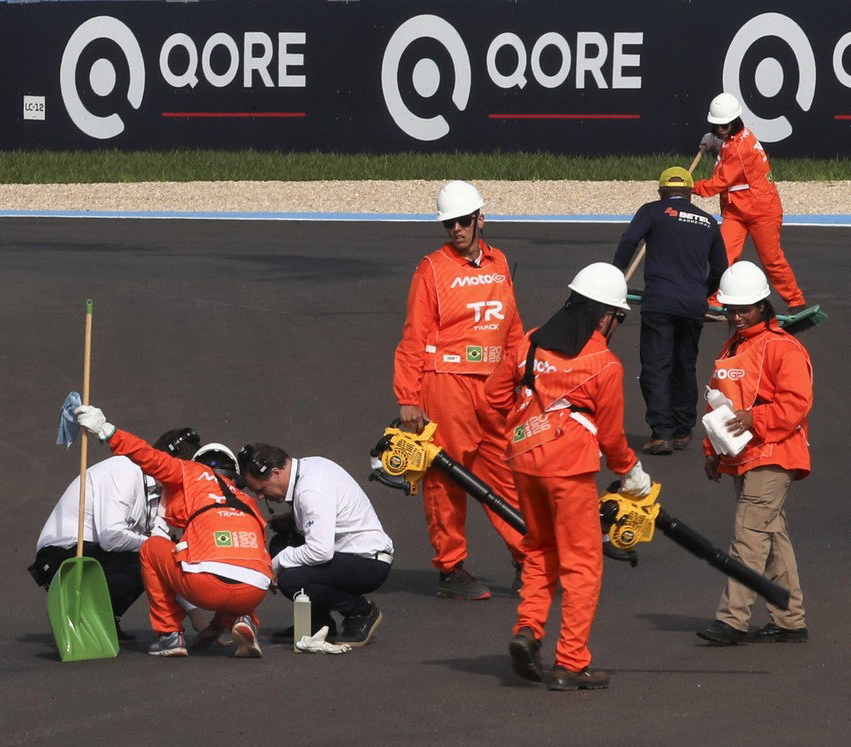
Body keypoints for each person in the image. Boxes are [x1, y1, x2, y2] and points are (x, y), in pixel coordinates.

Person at [485, 262, 653, 691]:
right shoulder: (604, 363)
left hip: (524, 463)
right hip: (570, 471)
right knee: (582, 566)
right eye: (618, 317)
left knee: (540, 549)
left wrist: (529, 417)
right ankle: (571, 662)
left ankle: (528, 630)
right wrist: (632, 474)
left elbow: (494, 395)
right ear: (603, 315)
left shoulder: (530, 343)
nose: (617, 325)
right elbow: (613, 438)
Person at [393, 179, 528, 601]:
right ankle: (450, 568)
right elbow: (414, 336)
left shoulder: (501, 262)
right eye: (449, 223)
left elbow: (513, 327)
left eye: (463, 221)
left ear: (480, 219)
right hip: (446, 385)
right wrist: (409, 398)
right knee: (447, 477)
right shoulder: (431, 268)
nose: (456, 229)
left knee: (506, 474)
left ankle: (529, 559)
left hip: (495, 386)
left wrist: (525, 375)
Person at [73, 405, 271, 659]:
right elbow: (245, 564)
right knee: (238, 564)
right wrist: (216, 626)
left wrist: (107, 431)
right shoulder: (247, 502)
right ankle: (244, 618)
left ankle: (169, 635)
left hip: (205, 586)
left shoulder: (190, 473)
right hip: (254, 591)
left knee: (151, 548)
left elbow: (148, 456)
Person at [694, 261, 813, 645]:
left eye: (744, 308)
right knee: (772, 536)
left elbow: (796, 404)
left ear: (763, 304)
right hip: (745, 455)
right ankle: (790, 620)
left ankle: (732, 620)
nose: (737, 315)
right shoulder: (735, 346)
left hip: (775, 454)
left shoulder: (783, 347)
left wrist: (753, 419)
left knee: (748, 535)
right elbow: (719, 403)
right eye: (731, 309)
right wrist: (713, 449)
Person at [29, 427, 201, 641]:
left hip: (96, 556)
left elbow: (167, 557)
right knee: (148, 555)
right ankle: (84, 616)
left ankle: (105, 618)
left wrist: (196, 617)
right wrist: (153, 545)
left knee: (156, 555)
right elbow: (111, 537)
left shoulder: (160, 493)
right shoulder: (124, 470)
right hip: (62, 559)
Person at [612, 165, 728, 455]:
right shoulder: (708, 222)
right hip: (692, 304)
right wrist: (702, 291)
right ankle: (682, 429)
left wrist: (614, 274)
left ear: (662, 192)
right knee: (684, 365)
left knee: (656, 366)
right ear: (690, 194)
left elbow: (629, 241)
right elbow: (720, 269)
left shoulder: (652, 210)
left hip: (660, 301)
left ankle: (661, 432)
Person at [239, 443, 392, 648]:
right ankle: (319, 622)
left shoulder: (311, 490)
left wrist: (277, 564)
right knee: (281, 542)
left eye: (261, 489)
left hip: (368, 563)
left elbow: (321, 551)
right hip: (349, 553)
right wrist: (295, 519)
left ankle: (360, 612)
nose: (260, 497)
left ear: (275, 473)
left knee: (292, 580)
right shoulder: (309, 467)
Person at [693, 92, 807, 310]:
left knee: (772, 259)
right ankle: (716, 300)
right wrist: (717, 142)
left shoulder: (739, 148)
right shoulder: (736, 137)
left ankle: (796, 301)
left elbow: (719, 183)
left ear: (735, 120)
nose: (720, 129)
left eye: (724, 126)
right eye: (717, 126)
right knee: (723, 257)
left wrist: (691, 187)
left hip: (762, 209)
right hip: (736, 209)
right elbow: (728, 146)